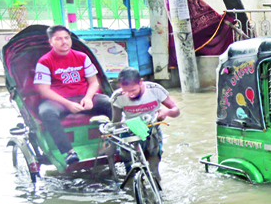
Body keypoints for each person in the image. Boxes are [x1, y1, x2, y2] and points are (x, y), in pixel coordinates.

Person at [34, 25, 112, 166]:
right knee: (46, 113)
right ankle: (69, 151)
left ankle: (116, 141)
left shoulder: (82, 57)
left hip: (83, 95)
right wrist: (67, 104)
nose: (64, 42)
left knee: (111, 103)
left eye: (66, 38)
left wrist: (88, 97)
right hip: (57, 100)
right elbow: (44, 90)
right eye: (58, 39)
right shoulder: (44, 61)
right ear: (51, 42)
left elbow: (94, 82)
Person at [110, 67, 181, 181]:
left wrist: (166, 112)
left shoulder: (155, 89)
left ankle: (157, 193)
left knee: (154, 171)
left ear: (141, 83)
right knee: (131, 172)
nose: (130, 95)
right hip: (129, 132)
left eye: (133, 90)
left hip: (151, 130)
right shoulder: (117, 97)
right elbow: (116, 123)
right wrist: (112, 144)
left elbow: (176, 111)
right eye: (125, 91)